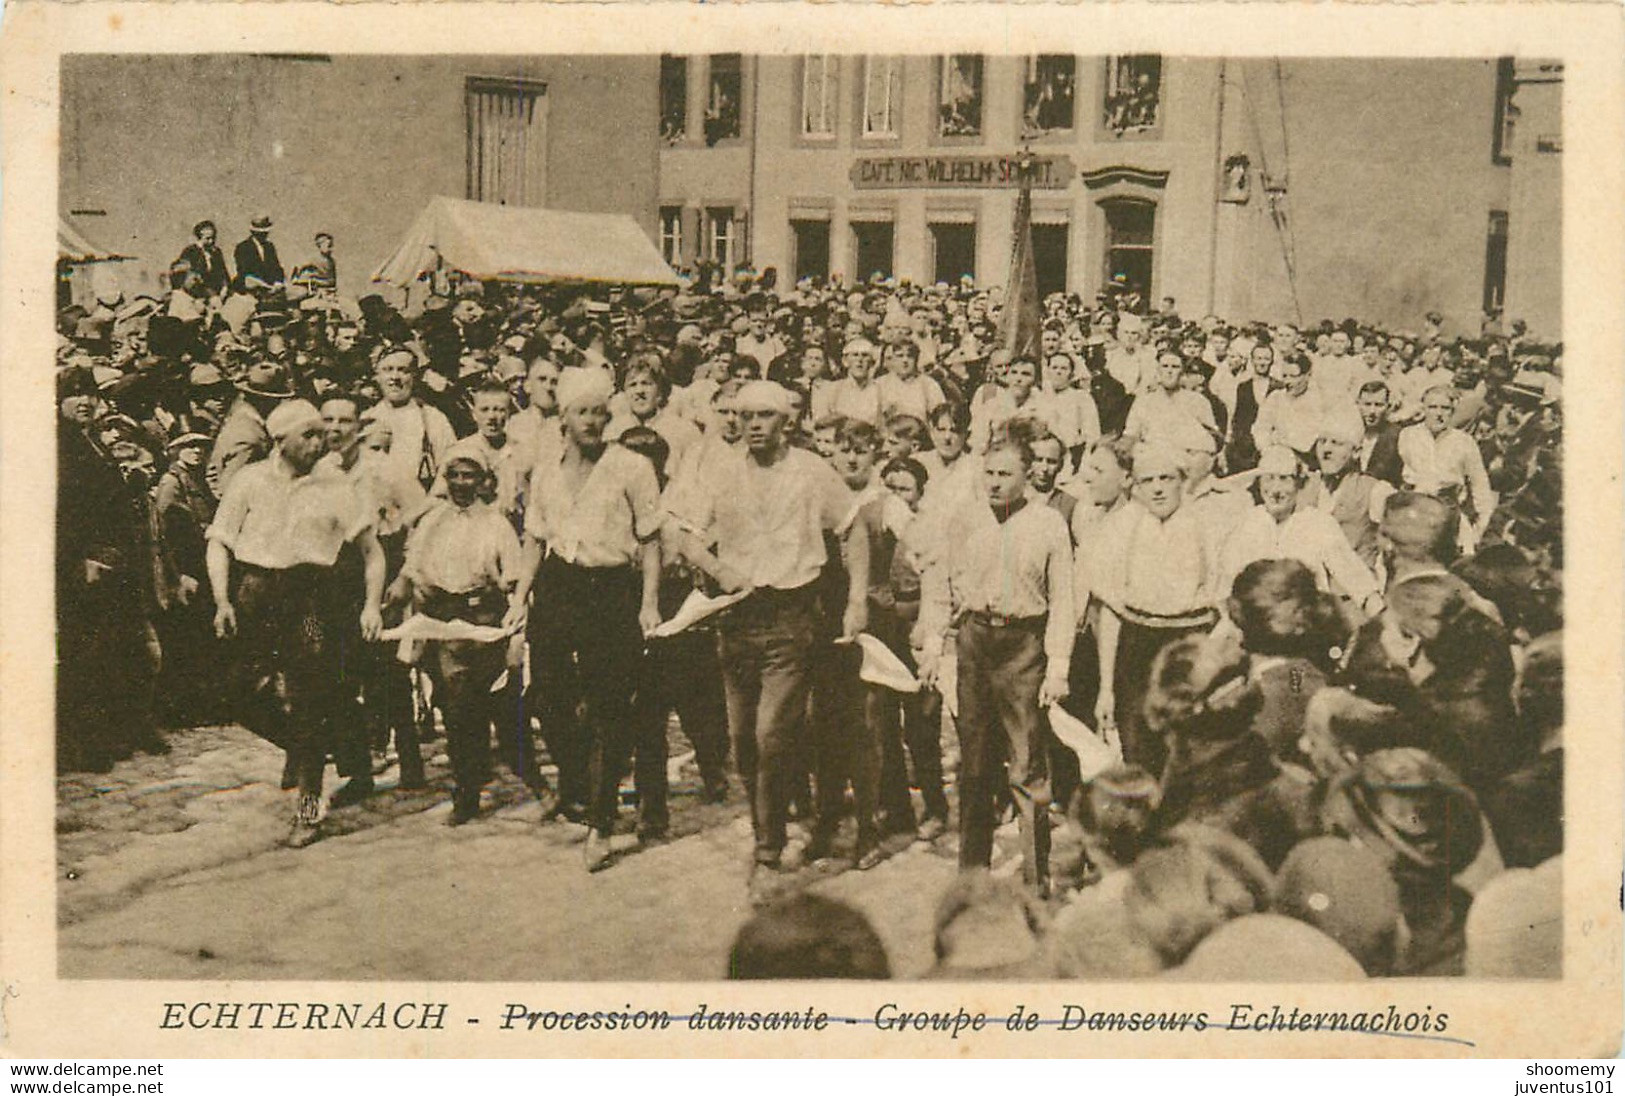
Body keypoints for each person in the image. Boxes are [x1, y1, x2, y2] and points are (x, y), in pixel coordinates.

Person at [668, 379, 868, 902]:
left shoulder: (811, 470)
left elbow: (853, 527)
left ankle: (768, 851)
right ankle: (772, 826)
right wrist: (717, 566)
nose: (751, 425)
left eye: (764, 417)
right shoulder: (719, 470)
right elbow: (681, 533)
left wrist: (857, 600)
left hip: (791, 618)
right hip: (735, 618)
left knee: (772, 734)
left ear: (787, 422)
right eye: (743, 415)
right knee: (743, 740)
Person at [206, 399, 385, 847]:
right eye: (308, 434)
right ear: (279, 440)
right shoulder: (248, 480)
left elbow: (371, 552)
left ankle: (309, 807)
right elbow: (219, 542)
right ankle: (315, 746)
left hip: (310, 598)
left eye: (321, 433)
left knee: (309, 696)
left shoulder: (337, 485)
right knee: (236, 690)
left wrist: (372, 606)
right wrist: (222, 600)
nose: (320, 441)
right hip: (255, 594)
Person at [511, 368, 664, 872]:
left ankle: (601, 822)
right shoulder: (546, 469)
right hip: (558, 586)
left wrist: (648, 602)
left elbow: (650, 540)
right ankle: (577, 783)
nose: (594, 421)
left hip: (612, 589)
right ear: (564, 418)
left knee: (608, 706)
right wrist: (520, 595)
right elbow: (534, 537)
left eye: (601, 412)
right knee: (547, 696)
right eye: (583, 412)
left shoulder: (633, 467)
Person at [918, 430, 1074, 898]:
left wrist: (1059, 664)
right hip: (974, 642)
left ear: (1029, 476)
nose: (994, 483)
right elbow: (940, 583)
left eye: (1006, 474)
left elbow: (1063, 599)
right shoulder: (962, 519)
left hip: (1024, 646)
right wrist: (932, 642)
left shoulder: (1048, 524)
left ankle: (1035, 877)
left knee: (1026, 767)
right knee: (974, 762)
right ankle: (973, 873)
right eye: (988, 473)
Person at [386, 446, 523, 825]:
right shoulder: (433, 521)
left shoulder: (496, 524)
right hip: (444, 620)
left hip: (484, 618)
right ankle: (467, 793)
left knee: (495, 705)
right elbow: (414, 567)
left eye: (470, 476)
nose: (462, 484)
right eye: (455, 476)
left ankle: (533, 779)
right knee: (457, 704)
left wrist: (513, 634)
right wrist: (401, 587)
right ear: (445, 481)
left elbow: (512, 580)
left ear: (483, 481)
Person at [1087, 443, 1222, 775]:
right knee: (1138, 745)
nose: (1158, 488)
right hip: (1138, 645)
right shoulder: (1122, 528)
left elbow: (1222, 608)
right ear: (1135, 486)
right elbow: (1112, 612)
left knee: (1189, 749)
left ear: (1183, 480)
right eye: (1148, 480)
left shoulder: (1205, 526)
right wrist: (1106, 688)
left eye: (1167, 478)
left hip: (1189, 642)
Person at [1218, 446, 1383, 619]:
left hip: (1306, 627)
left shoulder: (1318, 523)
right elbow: (1226, 586)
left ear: (1298, 484)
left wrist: (1383, 623)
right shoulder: (1247, 523)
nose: (1275, 489)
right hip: (1258, 627)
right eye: (1268, 479)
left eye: (1284, 479)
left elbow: (1357, 579)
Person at [1398, 384, 1496, 554]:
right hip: (1413, 510)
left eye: (1445, 408)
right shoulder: (1408, 435)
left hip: (1448, 512)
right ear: (1423, 409)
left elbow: (1479, 482)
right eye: (1433, 407)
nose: (1438, 413)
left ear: (1452, 411)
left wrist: (1482, 521)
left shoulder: (1464, 442)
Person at [362, 347, 458, 491]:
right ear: (377, 376)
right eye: (388, 370)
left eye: (403, 370)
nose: (395, 377)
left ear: (415, 376)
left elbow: (451, 472)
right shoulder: (366, 419)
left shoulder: (433, 419)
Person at [206, 355, 292, 498]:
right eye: (276, 400)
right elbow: (230, 489)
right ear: (265, 400)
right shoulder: (250, 436)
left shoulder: (241, 414)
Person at [232, 215, 286, 294]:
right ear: (254, 232)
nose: (264, 234)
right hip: (250, 289)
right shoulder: (243, 247)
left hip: (270, 287)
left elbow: (276, 268)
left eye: (265, 232)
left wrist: (277, 282)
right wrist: (263, 285)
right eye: (261, 232)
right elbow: (244, 272)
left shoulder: (269, 247)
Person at [177, 220, 229, 300]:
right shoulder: (190, 252)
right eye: (207, 239)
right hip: (196, 294)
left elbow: (223, 274)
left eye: (213, 238)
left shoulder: (216, 252)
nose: (211, 241)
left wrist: (225, 288)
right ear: (199, 238)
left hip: (216, 293)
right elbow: (186, 278)